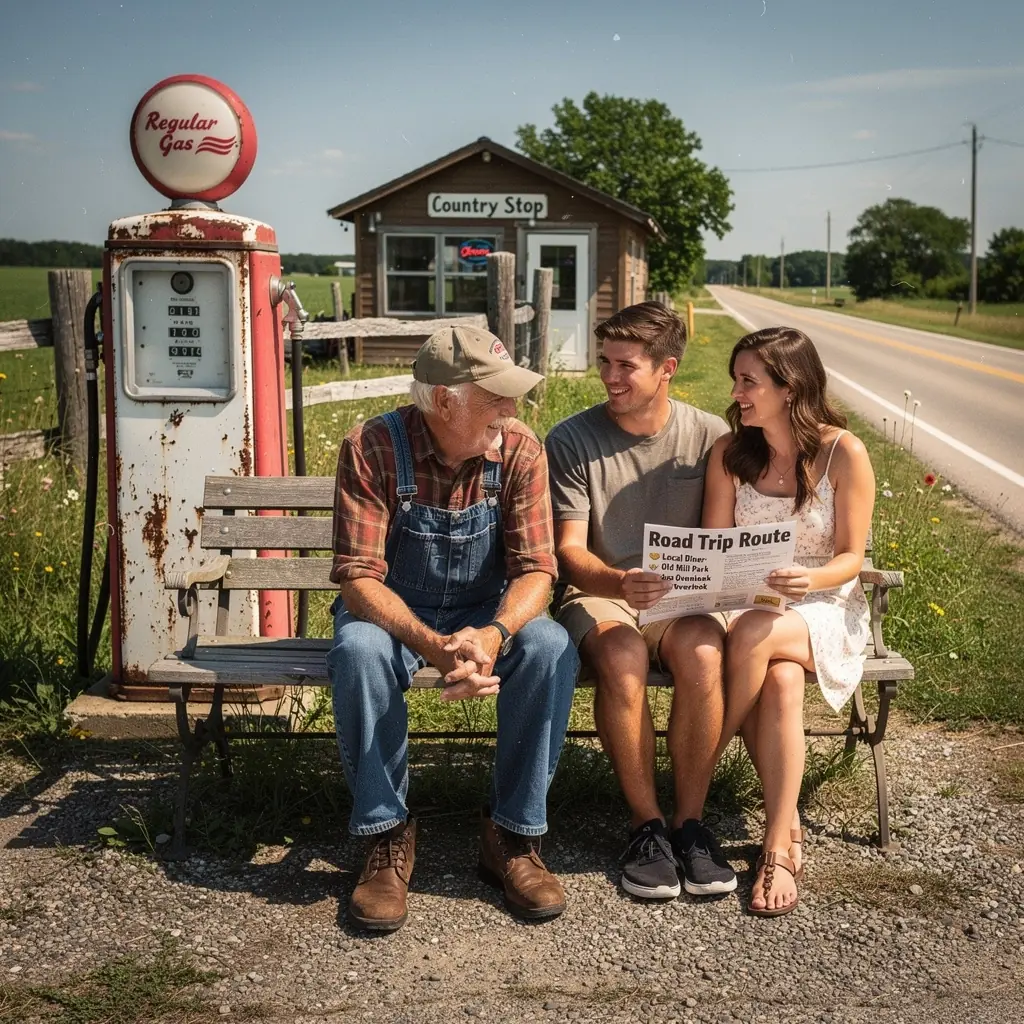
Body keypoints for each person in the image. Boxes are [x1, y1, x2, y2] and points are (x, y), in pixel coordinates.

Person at [327, 324, 579, 932]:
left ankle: (513, 838)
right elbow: (359, 579)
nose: (511, 411)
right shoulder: (373, 447)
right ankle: (385, 837)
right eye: (496, 398)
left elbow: (537, 571)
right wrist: (432, 645)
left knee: (549, 643)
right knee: (359, 649)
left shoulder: (519, 448)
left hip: (485, 612)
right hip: (393, 609)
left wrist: (490, 635)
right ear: (444, 400)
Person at [545, 300, 737, 901]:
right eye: (605, 361)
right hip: (603, 590)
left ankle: (691, 825)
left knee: (704, 653)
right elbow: (569, 552)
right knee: (622, 656)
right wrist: (619, 583)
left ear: (667, 369)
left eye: (626, 365)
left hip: (681, 594)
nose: (610, 376)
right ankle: (645, 824)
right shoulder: (572, 439)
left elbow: (721, 535)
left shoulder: (710, 437)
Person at [702, 326, 875, 917]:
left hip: (823, 603)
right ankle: (781, 835)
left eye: (749, 381)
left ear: (790, 385)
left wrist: (811, 579)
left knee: (753, 635)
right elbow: (716, 545)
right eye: (738, 379)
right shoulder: (730, 453)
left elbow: (851, 556)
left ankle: (698, 772)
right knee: (778, 679)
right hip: (748, 598)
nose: (737, 391)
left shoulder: (842, 451)